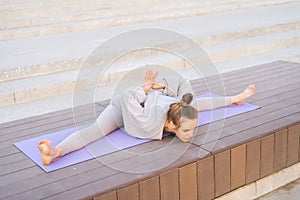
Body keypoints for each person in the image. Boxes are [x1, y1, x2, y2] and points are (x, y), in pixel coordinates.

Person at [38, 68, 256, 165]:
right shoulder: (149, 120)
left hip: (152, 97)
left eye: (191, 129)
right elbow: (126, 98)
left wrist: (234, 98)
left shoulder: (182, 109)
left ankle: (235, 98)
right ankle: (55, 152)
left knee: (197, 104)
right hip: (125, 109)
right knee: (94, 131)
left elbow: (202, 104)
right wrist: (144, 89)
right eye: (187, 130)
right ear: (171, 124)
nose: (192, 133)